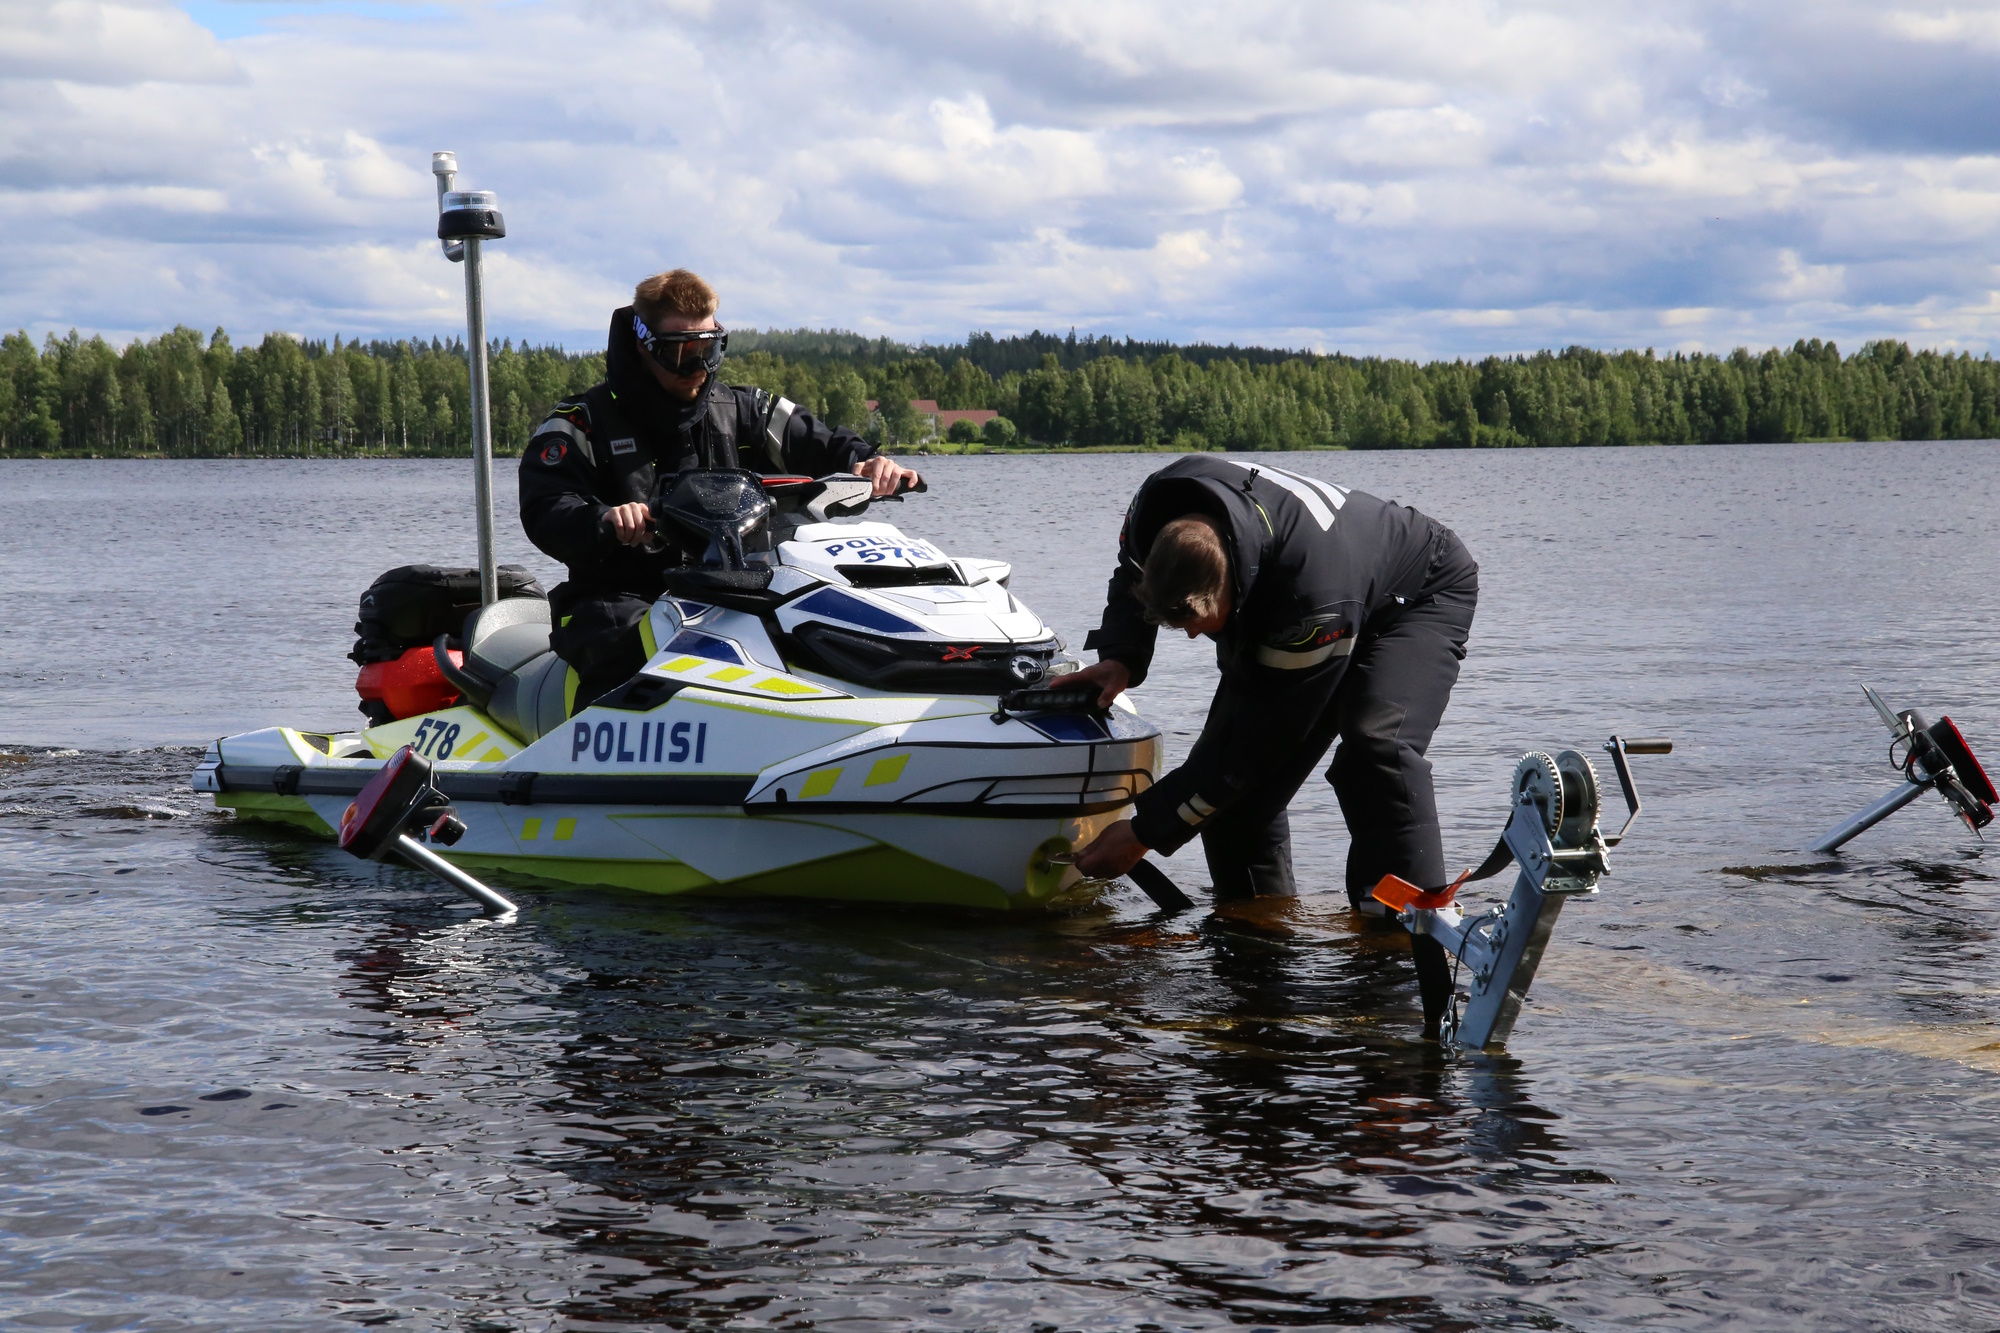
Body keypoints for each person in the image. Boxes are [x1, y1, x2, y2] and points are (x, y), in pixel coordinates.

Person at [1068, 456, 1478, 1033]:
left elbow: (1253, 749)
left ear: (1232, 585)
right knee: (1237, 811)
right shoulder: (1153, 512)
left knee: (1374, 748)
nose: (1189, 635)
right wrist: (1120, 658)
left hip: (1416, 592)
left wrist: (1142, 833)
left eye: (1199, 621)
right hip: (1301, 583)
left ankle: (1403, 951)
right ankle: (1259, 960)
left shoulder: (1309, 602)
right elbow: (1133, 578)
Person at [518, 269, 919, 708]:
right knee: (629, 642)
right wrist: (606, 520)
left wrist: (865, 462)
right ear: (643, 344)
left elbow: (819, 441)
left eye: (708, 349)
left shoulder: (743, 408)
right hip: (618, 595)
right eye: (683, 352)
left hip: (734, 587)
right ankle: (599, 762)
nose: (698, 367)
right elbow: (546, 506)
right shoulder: (581, 421)